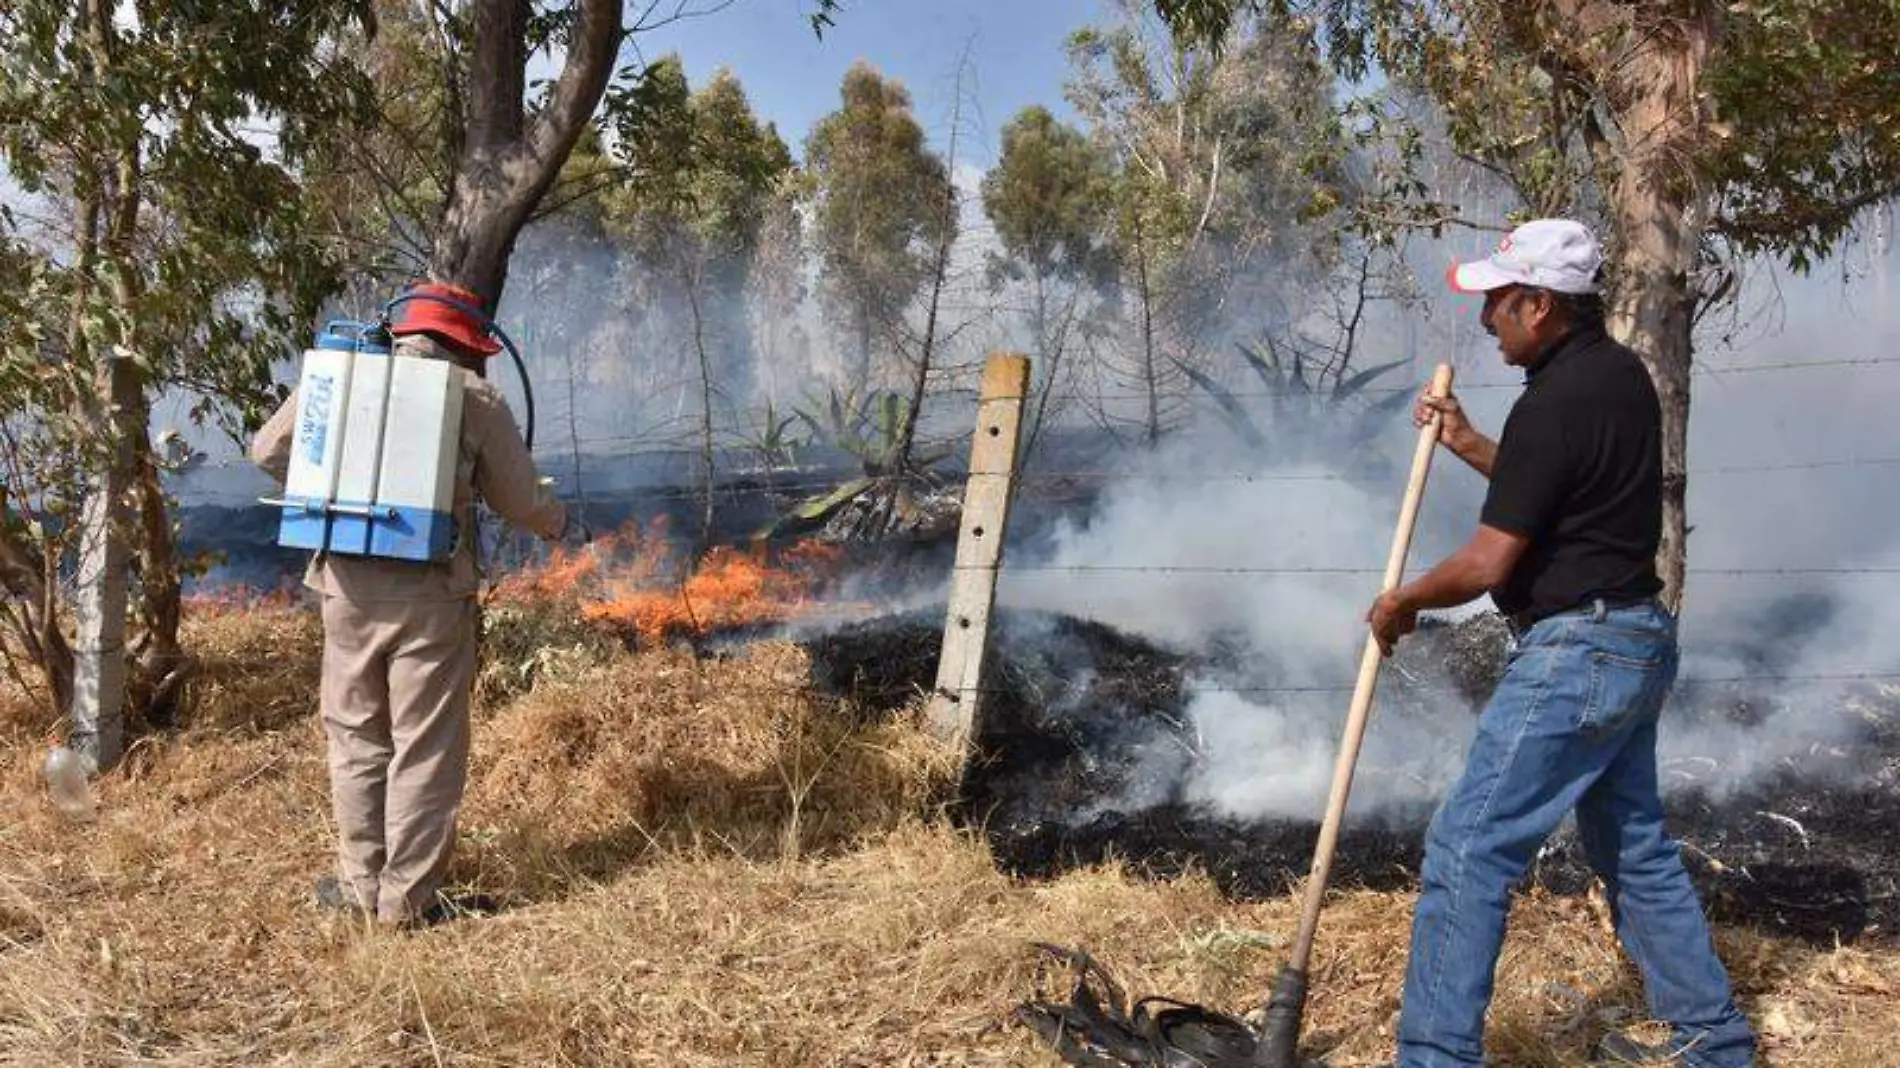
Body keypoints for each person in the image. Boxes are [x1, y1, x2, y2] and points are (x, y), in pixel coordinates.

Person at [1365, 221, 1755, 1067]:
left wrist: (1402, 602)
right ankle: (1718, 1046)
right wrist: (1469, 442)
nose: (1486, 321)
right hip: (1637, 638)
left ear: (1540, 305)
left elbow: (1487, 560)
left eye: (1498, 302)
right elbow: (1556, 493)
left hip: (1575, 651)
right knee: (1635, 849)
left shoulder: (1551, 401)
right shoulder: (1618, 379)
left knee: (1469, 847)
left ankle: (1433, 1058)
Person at [252, 281, 568, 928]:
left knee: (356, 736)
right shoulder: (474, 397)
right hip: (429, 597)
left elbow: (267, 451)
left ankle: (361, 887)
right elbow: (520, 500)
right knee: (424, 745)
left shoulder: (343, 374)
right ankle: (409, 905)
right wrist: (558, 522)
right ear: (466, 343)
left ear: (404, 329)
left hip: (342, 590)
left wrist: (332, 485)